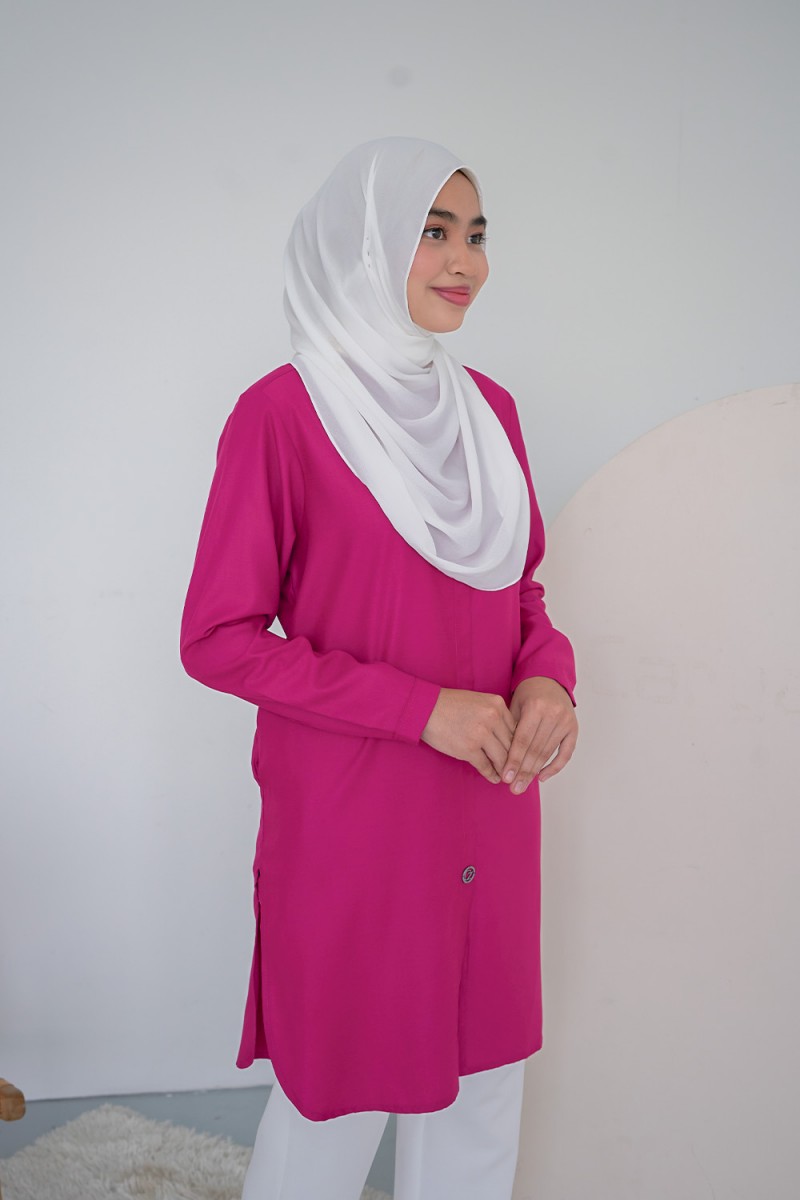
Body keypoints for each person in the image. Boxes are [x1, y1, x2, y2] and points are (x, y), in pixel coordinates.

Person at [180, 137, 578, 1200]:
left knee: (483, 1095)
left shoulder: (488, 411)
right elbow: (217, 637)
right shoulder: (282, 415)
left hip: (490, 805)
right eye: (431, 232)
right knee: (340, 1094)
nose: (464, 262)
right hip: (356, 825)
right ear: (362, 244)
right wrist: (419, 710)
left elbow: (520, 593)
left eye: (475, 235)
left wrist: (548, 680)